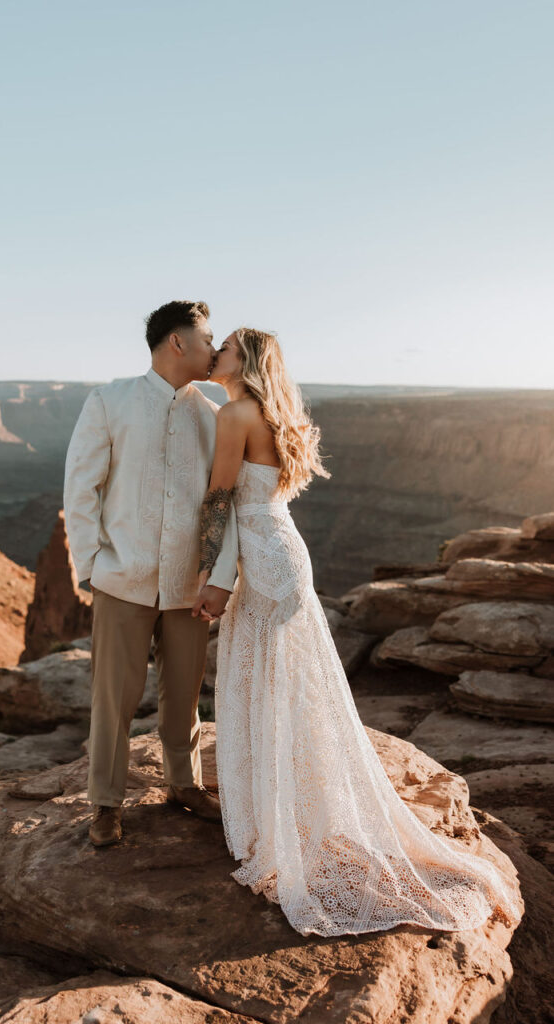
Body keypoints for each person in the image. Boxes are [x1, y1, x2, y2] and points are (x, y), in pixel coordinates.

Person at [192, 326, 524, 936]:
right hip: (284, 552)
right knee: (285, 688)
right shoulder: (259, 408)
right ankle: (288, 810)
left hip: (264, 563)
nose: (217, 355)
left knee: (265, 686)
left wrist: (206, 578)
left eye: (228, 349)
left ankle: (279, 822)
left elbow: (219, 499)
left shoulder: (236, 412)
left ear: (248, 363)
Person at [63, 300, 239, 847]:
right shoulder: (108, 401)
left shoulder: (212, 417)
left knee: (184, 692)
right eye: (207, 338)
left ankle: (183, 784)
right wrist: (90, 564)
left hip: (190, 585)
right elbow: (80, 486)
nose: (214, 348)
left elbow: (228, 501)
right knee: (114, 695)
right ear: (177, 342)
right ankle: (105, 804)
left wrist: (220, 576)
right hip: (123, 579)